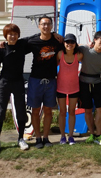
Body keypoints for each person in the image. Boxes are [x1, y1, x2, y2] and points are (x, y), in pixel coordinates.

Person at [0, 24, 29, 155]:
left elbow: (37, 38)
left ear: (18, 35)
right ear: (5, 36)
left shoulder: (22, 45)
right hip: (4, 83)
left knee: (21, 111)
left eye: (15, 33)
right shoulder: (1, 49)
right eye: (10, 34)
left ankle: (21, 139)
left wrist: (54, 35)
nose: (12, 36)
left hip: (18, 82)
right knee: (0, 112)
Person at [27, 15, 62, 149]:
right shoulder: (32, 41)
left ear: (52, 26)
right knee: (35, 111)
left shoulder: (57, 41)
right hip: (35, 80)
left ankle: (46, 138)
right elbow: (16, 45)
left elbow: (72, 45)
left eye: (48, 24)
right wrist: (2, 44)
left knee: (48, 111)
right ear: (39, 26)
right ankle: (37, 138)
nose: (46, 26)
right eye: (43, 24)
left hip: (51, 80)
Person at [78, 31, 101, 146]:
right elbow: (71, 46)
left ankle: (99, 135)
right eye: (100, 40)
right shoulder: (85, 49)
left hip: (97, 82)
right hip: (84, 83)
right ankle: (92, 134)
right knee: (88, 110)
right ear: (95, 40)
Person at [56, 33, 83, 145]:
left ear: (75, 43)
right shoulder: (60, 54)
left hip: (74, 88)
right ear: (64, 43)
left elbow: (86, 48)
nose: (69, 44)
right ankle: (63, 136)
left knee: (72, 112)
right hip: (60, 88)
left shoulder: (79, 55)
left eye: (72, 42)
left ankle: (71, 136)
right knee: (62, 112)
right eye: (67, 42)